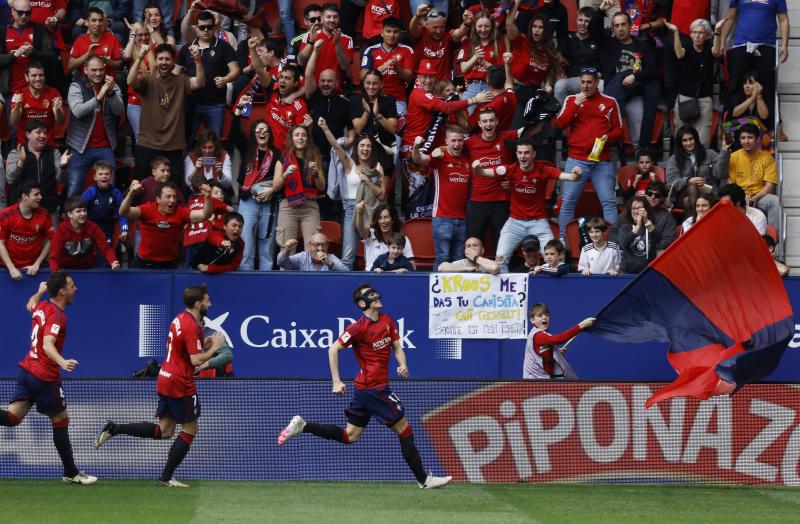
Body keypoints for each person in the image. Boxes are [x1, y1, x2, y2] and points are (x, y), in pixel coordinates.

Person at [277, 282, 453, 490]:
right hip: (373, 389)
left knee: (350, 436)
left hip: (364, 390)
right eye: (370, 295)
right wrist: (336, 381)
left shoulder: (387, 320)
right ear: (362, 303)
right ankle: (424, 480)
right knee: (404, 430)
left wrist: (403, 364)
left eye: (375, 292)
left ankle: (303, 426)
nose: (376, 296)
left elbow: (397, 346)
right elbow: (333, 349)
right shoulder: (358, 328)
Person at [94, 284, 227, 488]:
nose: (211, 303)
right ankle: (166, 478)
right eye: (208, 300)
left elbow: (185, 350)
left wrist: (205, 345)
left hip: (165, 376)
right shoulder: (191, 325)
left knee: (165, 431)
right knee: (191, 429)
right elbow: (195, 361)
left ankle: (115, 428)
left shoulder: (180, 318)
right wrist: (214, 349)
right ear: (198, 304)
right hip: (180, 382)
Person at [0, 272, 97, 484]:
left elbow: (29, 304)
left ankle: (71, 473)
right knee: (61, 419)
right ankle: (71, 473)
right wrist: (62, 362)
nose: (76, 289)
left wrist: (40, 291)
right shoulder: (57, 315)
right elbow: (47, 344)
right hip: (44, 375)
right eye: (72, 285)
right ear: (62, 291)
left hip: (26, 370)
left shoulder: (42, 307)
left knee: (12, 418)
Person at [473, 139, 581, 273]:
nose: (523, 156)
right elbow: (481, 173)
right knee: (500, 260)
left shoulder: (543, 169)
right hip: (514, 223)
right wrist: (476, 168)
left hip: (539, 223)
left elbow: (569, 177)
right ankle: (506, 292)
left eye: (526, 153)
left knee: (555, 259)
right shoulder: (510, 169)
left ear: (533, 154)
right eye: (520, 153)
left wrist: (575, 175)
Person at [555, 68, 623, 239]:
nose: (585, 86)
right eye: (583, 82)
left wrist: (610, 136)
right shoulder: (571, 99)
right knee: (568, 203)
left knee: (608, 203)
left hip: (603, 160)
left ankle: (612, 243)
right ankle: (563, 242)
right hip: (577, 160)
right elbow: (559, 125)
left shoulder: (610, 102)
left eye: (589, 82)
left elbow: (619, 130)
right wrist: (575, 105)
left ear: (597, 83)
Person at [128, 42, 205, 182]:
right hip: (147, 144)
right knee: (141, 186)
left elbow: (199, 83)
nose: (164, 62)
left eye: (168, 59)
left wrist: (197, 59)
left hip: (173, 146)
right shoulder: (147, 79)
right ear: (156, 61)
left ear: (173, 62)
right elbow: (130, 81)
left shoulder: (181, 80)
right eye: (161, 59)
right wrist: (139, 57)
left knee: (173, 188)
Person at [591, 0, 660, 149]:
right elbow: (593, 30)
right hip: (616, 89)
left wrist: (635, 76)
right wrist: (601, 11)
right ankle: (604, 144)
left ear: (630, 26)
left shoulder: (642, 46)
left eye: (623, 24)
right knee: (610, 116)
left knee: (639, 127)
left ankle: (641, 157)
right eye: (616, 25)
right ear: (613, 28)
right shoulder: (608, 43)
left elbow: (652, 70)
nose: (620, 28)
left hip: (635, 90)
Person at [320, 117, 384, 270]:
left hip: (372, 211)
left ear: (372, 149)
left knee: (376, 255)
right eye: (362, 145)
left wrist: (368, 180)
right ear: (357, 148)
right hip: (351, 209)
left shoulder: (378, 167)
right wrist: (325, 128)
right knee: (348, 256)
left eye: (368, 146)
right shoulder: (350, 163)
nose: (365, 149)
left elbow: (381, 195)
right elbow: (336, 146)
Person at [719, 0, 789, 127]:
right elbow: (730, 18)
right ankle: (728, 126)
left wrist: (785, 45)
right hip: (741, 45)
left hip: (766, 46)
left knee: (767, 87)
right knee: (735, 85)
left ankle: (773, 126)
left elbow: (783, 20)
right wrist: (723, 41)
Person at [411, 127, 471, 270]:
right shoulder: (440, 157)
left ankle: (456, 292)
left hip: (462, 219)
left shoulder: (466, 159)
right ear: (447, 141)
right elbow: (418, 159)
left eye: (460, 140)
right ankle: (436, 291)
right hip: (442, 218)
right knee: (442, 259)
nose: (456, 144)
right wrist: (416, 146)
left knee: (459, 261)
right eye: (453, 140)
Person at [66, 55, 124, 197]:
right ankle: (70, 216)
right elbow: (78, 111)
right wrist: (99, 97)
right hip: (80, 147)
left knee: (109, 188)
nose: (98, 73)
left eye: (101, 70)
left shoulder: (112, 86)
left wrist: (110, 93)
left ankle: (107, 216)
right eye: (93, 70)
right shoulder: (76, 86)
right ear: (85, 70)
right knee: (74, 188)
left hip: (105, 146)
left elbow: (119, 110)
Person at [178, 10, 240, 142]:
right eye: (202, 27)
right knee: (185, 142)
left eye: (209, 27)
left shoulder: (224, 47)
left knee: (213, 145)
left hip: (215, 104)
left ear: (214, 27)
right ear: (196, 28)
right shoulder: (186, 48)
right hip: (191, 104)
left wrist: (225, 79)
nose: (206, 30)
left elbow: (236, 70)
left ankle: (211, 164)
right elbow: (175, 73)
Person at [120, 180, 213, 268]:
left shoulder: (181, 212)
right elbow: (123, 212)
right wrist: (131, 193)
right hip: (145, 263)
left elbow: (205, 215)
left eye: (174, 197)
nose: (172, 200)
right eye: (168, 197)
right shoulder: (147, 209)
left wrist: (208, 197)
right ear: (158, 199)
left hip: (170, 264)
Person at [663, 18, 723, 147]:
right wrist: (675, 33)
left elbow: (717, 52)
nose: (697, 35)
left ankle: (701, 167)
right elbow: (679, 54)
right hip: (685, 98)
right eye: (694, 32)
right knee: (681, 139)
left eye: (700, 33)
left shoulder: (709, 48)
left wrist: (717, 31)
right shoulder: (687, 47)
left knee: (703, 142)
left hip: (704, 100)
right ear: (690, 34)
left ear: (707, 36)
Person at [464, 107, 517, 251]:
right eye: (485, 121)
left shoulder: (505, 137)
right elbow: (452, 145)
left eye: (491, 120)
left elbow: (528, 132)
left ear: (497, 122)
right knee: (472, 244)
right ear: (480, 124)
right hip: (478, 201)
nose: (488, 124)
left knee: (502, 245)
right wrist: (442, 149)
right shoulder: (470, 143)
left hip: (501, 202)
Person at [506, 7, 566, 128]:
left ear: (546, 31)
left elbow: (550, 71)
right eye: (534, 26)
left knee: (537, 131)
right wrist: (516, 3)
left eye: (540, 27)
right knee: (517, 129)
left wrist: (549, 84)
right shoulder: (522, 41)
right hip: (518, 91)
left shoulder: (549, 49)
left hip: (535, 93)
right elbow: (509, 24)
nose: (536, 30)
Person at [274, 125, 326, 255]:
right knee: (287, 248)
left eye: (303, 135)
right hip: (288, 207)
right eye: (297, 135)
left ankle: (311, 276)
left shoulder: (314, 158)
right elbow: (276, 187)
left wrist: (315, 175)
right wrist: (285, 175)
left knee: (314, 249)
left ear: (308, 139)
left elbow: (322, 187)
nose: (300, 138)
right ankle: (286, 276)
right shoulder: (283, 159)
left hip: (310, 207)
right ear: (292, 138)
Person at [237, 120, 282, 271]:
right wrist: (238, 113)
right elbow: (233, 135)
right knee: (246, 243)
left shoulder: (277, 153)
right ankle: (245, 278)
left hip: (269, 202)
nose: (262, 133)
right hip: (248, 202)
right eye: (259, 130)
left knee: (267, 246)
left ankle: (266, 278)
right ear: (253, 133)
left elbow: (280, 180)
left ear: (270, 134)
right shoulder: (247, 149)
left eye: (266, 130)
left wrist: (271, 191)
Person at [6, 119, 71, 216]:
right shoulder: (16, 153)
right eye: (38, 132)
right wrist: (21, 162)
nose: (43, 136)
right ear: (28, 134)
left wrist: (63, 167)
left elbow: (62, 180)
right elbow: (10, 180)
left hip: (49, 207)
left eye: (45, 133)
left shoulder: (54, 153)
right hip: (23, 207)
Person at [725, 123, 780, 233]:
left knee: (775, 201)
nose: (746, 141)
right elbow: (730, 182)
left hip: (759, 197)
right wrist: (742, 197)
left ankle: (773, 239)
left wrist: (753, 198)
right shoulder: (733, 157)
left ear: (758, 139)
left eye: (750, 137)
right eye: (743, 138)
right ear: (739, 140)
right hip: (738, 197)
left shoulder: (767, 158)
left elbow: (770, 186)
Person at [360, 16, 414, 120]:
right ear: (382, 32)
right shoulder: (370, 50)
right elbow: (362, 76)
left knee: (397, 135)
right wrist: (381, 69)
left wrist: (396, 68)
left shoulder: (407, 50)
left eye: (395, 32)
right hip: (374, 99)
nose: (392, 35)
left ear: (400, 34)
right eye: (388, 31)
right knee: (373, 134)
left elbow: (409, 77)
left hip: (398, 100)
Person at [523, 303, 595, 379]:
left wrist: (555, 353)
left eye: (547, 315)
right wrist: (581, 326)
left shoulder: (543, 335)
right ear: (532, 320)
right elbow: (559, 339)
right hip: (533, 382)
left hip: (543, 380)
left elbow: (542, 356)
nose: (544, 317)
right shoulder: (538, 335)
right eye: (540, 315)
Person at [666, 125, 726, 213]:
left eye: (691, 139)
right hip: (681, 194)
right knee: (692, 187)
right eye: (684, 140)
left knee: (687, 201)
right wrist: (688, 181)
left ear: (696, 139)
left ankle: (692, 223)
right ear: (680, 142)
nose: (689, 142)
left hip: (708, 194)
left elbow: (720, 173)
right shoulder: (674, 158)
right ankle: (697, 219)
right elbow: (671, 181)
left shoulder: (710, 153)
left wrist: (724, 151)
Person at [49, 197, 119, 271]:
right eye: (78, 211)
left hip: (89, 270)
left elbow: (105, 247)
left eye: (84, 210)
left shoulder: (93, 227)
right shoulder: (61, 230)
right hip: (67, 271)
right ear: (70, 214)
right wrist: (55, 275)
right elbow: (54, 257)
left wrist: (113, 261)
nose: (83, 214)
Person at [297, 2, 353, 93]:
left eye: (335, 17)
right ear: (322, 18)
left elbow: (344, 66)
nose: (332, 20)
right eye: (328, 17)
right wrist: (311, 42)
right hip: (312, 89)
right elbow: (301, 62)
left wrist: (338, 44)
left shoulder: (347, 39)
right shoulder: (309, 36)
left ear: (339, 19)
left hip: (334, 90)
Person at [0, 181, 51, 280]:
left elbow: (50, 241)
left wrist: (37, 264)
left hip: (33, 269)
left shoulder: (44, 214)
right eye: (36, 194)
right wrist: (12, 268)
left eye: (40, 194)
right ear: (24, 196)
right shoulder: (6, 215)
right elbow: (0, 243)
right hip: (7, 269)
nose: (40, 197)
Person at [456, 11, 504, 115]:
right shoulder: (467, 42)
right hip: (469, 87)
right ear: (475, 27)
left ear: (492, 27)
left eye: (487, 26)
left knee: (488, 120)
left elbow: (500, 72)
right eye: (480, 26)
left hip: (489, 87)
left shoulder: (498, 45)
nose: (483, 30)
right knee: (466, 122)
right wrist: (475, 57)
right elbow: (463, 69)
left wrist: (484, 62)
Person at [9, 61, 64, 149]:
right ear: (26, 77)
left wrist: (58, 110)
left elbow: (60, 121)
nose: (38, 78)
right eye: (34, 75)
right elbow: (14, 121)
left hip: (48, 146)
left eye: (41, 75)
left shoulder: (53, 93)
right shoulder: (19, 94)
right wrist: (17, 107)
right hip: (25, 147)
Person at [554, 6, 602, 104]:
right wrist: (559, 70)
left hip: (592, 80)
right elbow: (556, 58)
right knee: (560, 85)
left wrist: (600, 73)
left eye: (587, 21)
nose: (583, 24)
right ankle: (565, 112)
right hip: (572, 80)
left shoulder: (597, 40)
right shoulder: (567, 39)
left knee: (602, 85)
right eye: (580, 20)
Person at [356, 203, 415, 272]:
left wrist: (405, 271)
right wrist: (360, 213)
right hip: (372, 276)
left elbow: (412, 268)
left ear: (392, 219)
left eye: (386, 217)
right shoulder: (371, 235)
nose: (383, 221)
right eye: (380, 218)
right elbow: (360, 229)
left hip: (396, 279)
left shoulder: (403, 239)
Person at [81, 160, 127, 246]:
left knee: (105, 256)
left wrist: (124, 230)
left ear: (111, 176)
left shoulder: (116, 193)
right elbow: (78, 209)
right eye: (101, 174)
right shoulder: (90, 192)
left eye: (106, 174)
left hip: (107, 230)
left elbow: (122, 215)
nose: (104, 176)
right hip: (90, 228)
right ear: (95, 177)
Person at [123, 22, 156, 141]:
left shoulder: (153, 49)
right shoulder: (132, 50)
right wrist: (132, 35)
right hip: (135, 102)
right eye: (140, 35)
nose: (143, 38)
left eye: (146, 34)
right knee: (140, 138)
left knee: (153, 137)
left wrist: (152, 31)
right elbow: (126, 56)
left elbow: (163, 45)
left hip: (152, 101)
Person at [67, 6, 123, 76]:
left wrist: (106, 60)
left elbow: (120, 64)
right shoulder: (80, 40)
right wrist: (87, 55)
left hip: (107, 81)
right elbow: (70, 66)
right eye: (94, 20)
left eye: (100, 20)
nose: (97, 23)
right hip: (84, 83)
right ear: (87, 22)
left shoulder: (112, 39)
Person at [617, 195, 662, 273]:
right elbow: (622, 244)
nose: (636, 211)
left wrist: (647, 221)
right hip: (627, 272)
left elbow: (659, 239)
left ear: (646, 210)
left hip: (647, 272)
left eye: (639, 208)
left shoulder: (651, 226)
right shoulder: (625, 227)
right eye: (634, 208)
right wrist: (638, 226)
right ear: (630, 211)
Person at [278, 232, 348, 271]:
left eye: (324, 245)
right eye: (316, 245)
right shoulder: (302, 257)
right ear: (309, 246)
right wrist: (287, 251)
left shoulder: (330, 258)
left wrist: (330, 264)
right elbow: (281, 263)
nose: (320, 249)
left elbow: (346, 273)